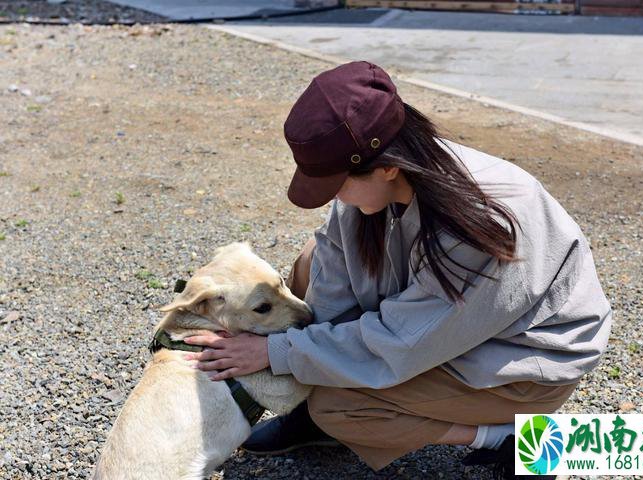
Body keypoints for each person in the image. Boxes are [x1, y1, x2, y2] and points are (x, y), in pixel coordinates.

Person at [182, 60, 613, 478]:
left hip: (518, 361)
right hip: (447, 325)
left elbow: (401, 343)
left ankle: (507, 438)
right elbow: (330, 271)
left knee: (338, 405)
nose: (338, 199)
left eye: (337, 185)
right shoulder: (386, 180)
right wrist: (305, 361)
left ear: (388, 165)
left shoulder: (482, 223)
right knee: (309, 265)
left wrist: (279, 354)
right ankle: (312, 415)